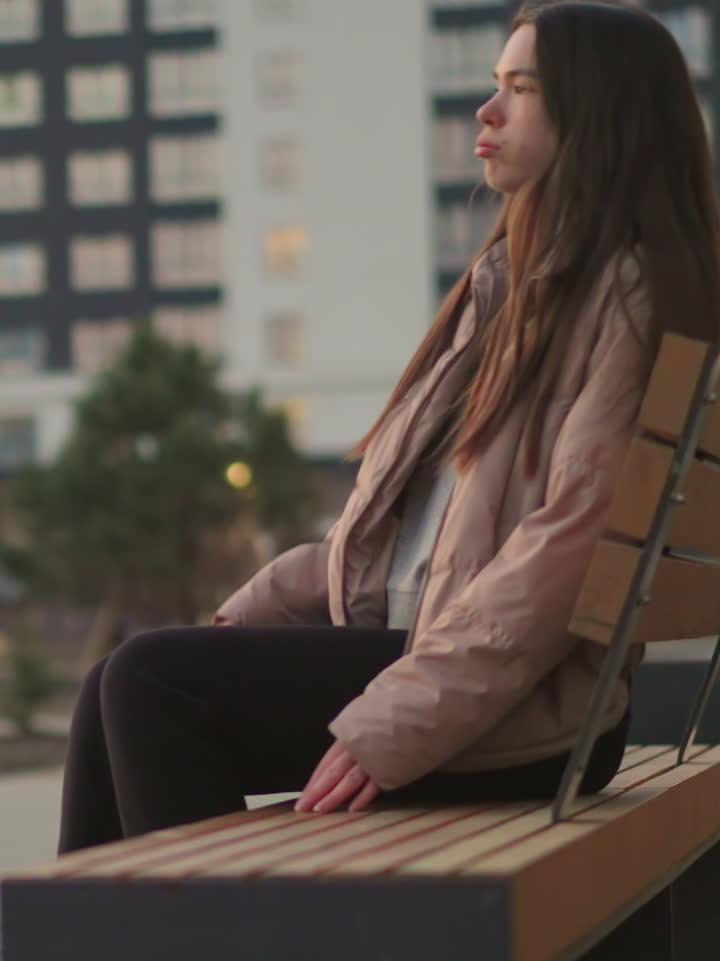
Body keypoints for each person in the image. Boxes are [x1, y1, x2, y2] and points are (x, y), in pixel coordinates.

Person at [58, 0, 720, 854]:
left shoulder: (624, 293)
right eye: (495, 85)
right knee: (114, 679)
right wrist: (248, 615)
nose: (486, 111)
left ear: (601, 119)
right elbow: (394, 540)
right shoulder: (512, 292)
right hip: (460, 665)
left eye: (522, 89)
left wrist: (397, 719)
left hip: (527, 710)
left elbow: (570, 551)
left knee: (154, 684)